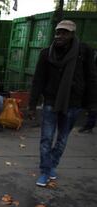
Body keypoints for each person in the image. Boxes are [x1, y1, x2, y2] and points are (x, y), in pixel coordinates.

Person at [28, 20, 97, 187]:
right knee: (46, 138)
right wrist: (32, 105)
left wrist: (92, 104)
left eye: (64, 33)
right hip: (51, 101)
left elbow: (91, 77)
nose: (59, 36)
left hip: (73, 102)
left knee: (62, 138)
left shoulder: (84, 52)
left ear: (72, 35)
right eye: (58, 32)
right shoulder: (46, 54)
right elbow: (38, 80)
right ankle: (45, 171)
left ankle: (52, 164)